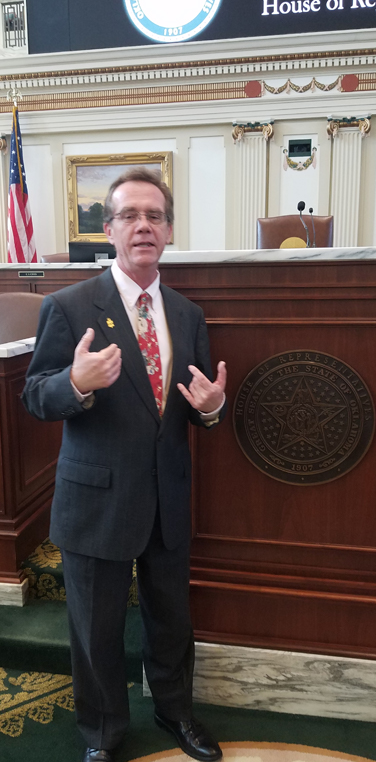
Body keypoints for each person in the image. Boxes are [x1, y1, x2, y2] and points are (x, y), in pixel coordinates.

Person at [22, 167, 227, 762]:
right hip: (96, 501)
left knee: (171, 624)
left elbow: (195, 407)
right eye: (130, 216)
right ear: (108, 229)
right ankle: (104, 737)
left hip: (167, 499)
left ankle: (174, 712)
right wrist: (74, 384)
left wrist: (211, 411)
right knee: (96, 633)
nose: (144, 226)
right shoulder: (68, 306)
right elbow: (35, 395)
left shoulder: (188, 314)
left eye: (155, 216)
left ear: (168, 230)